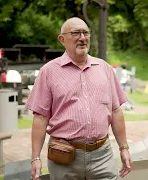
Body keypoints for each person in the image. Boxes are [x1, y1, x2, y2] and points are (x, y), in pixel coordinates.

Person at [26, 17, 132, 180]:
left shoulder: (104, 68)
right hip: (64, 157)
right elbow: (40, 117)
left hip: (102, 155)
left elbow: (116, 111)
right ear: (62, 39)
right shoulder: (49, 72)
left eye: (85, 33)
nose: (82, 38)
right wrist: (36, 158)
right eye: (76, 33)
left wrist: (124, 148)